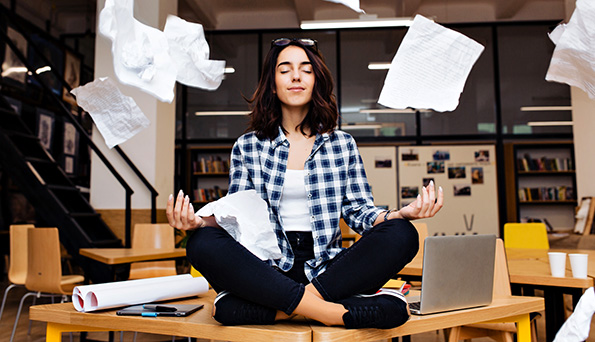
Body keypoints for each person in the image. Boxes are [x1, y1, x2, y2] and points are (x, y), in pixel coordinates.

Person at [167, 37, 444, 329]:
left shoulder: (342, 144)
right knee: (201, 243)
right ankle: (331, 314)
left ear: (316, 81)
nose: (296, 76)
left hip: (328, 271)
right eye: (285, 69)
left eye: (306, 69)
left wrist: (401, 214)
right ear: (272, 84)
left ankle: (288, 307)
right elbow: (239, 219)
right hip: (267, 269)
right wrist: (197, 224)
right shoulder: (248, 146)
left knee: (402, 233)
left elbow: (359, 212)